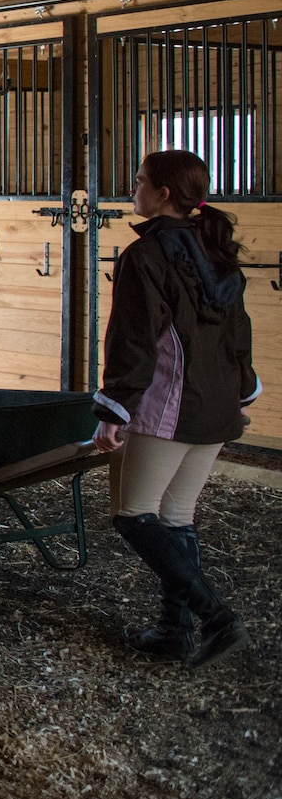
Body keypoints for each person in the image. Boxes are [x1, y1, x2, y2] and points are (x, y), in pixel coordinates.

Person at [91, 148, 259, 668]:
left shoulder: (145, 257)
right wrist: (243, 390)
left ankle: (217, 618)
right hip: (216, 407)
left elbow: (134, 342)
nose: (132, 190)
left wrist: (114, 408)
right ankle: (173, 632)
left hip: (171, 407)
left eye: (139, 182)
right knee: (175, 516)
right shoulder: (216, 250)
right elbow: (239, 333)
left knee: (133, 515)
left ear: (163, 194)